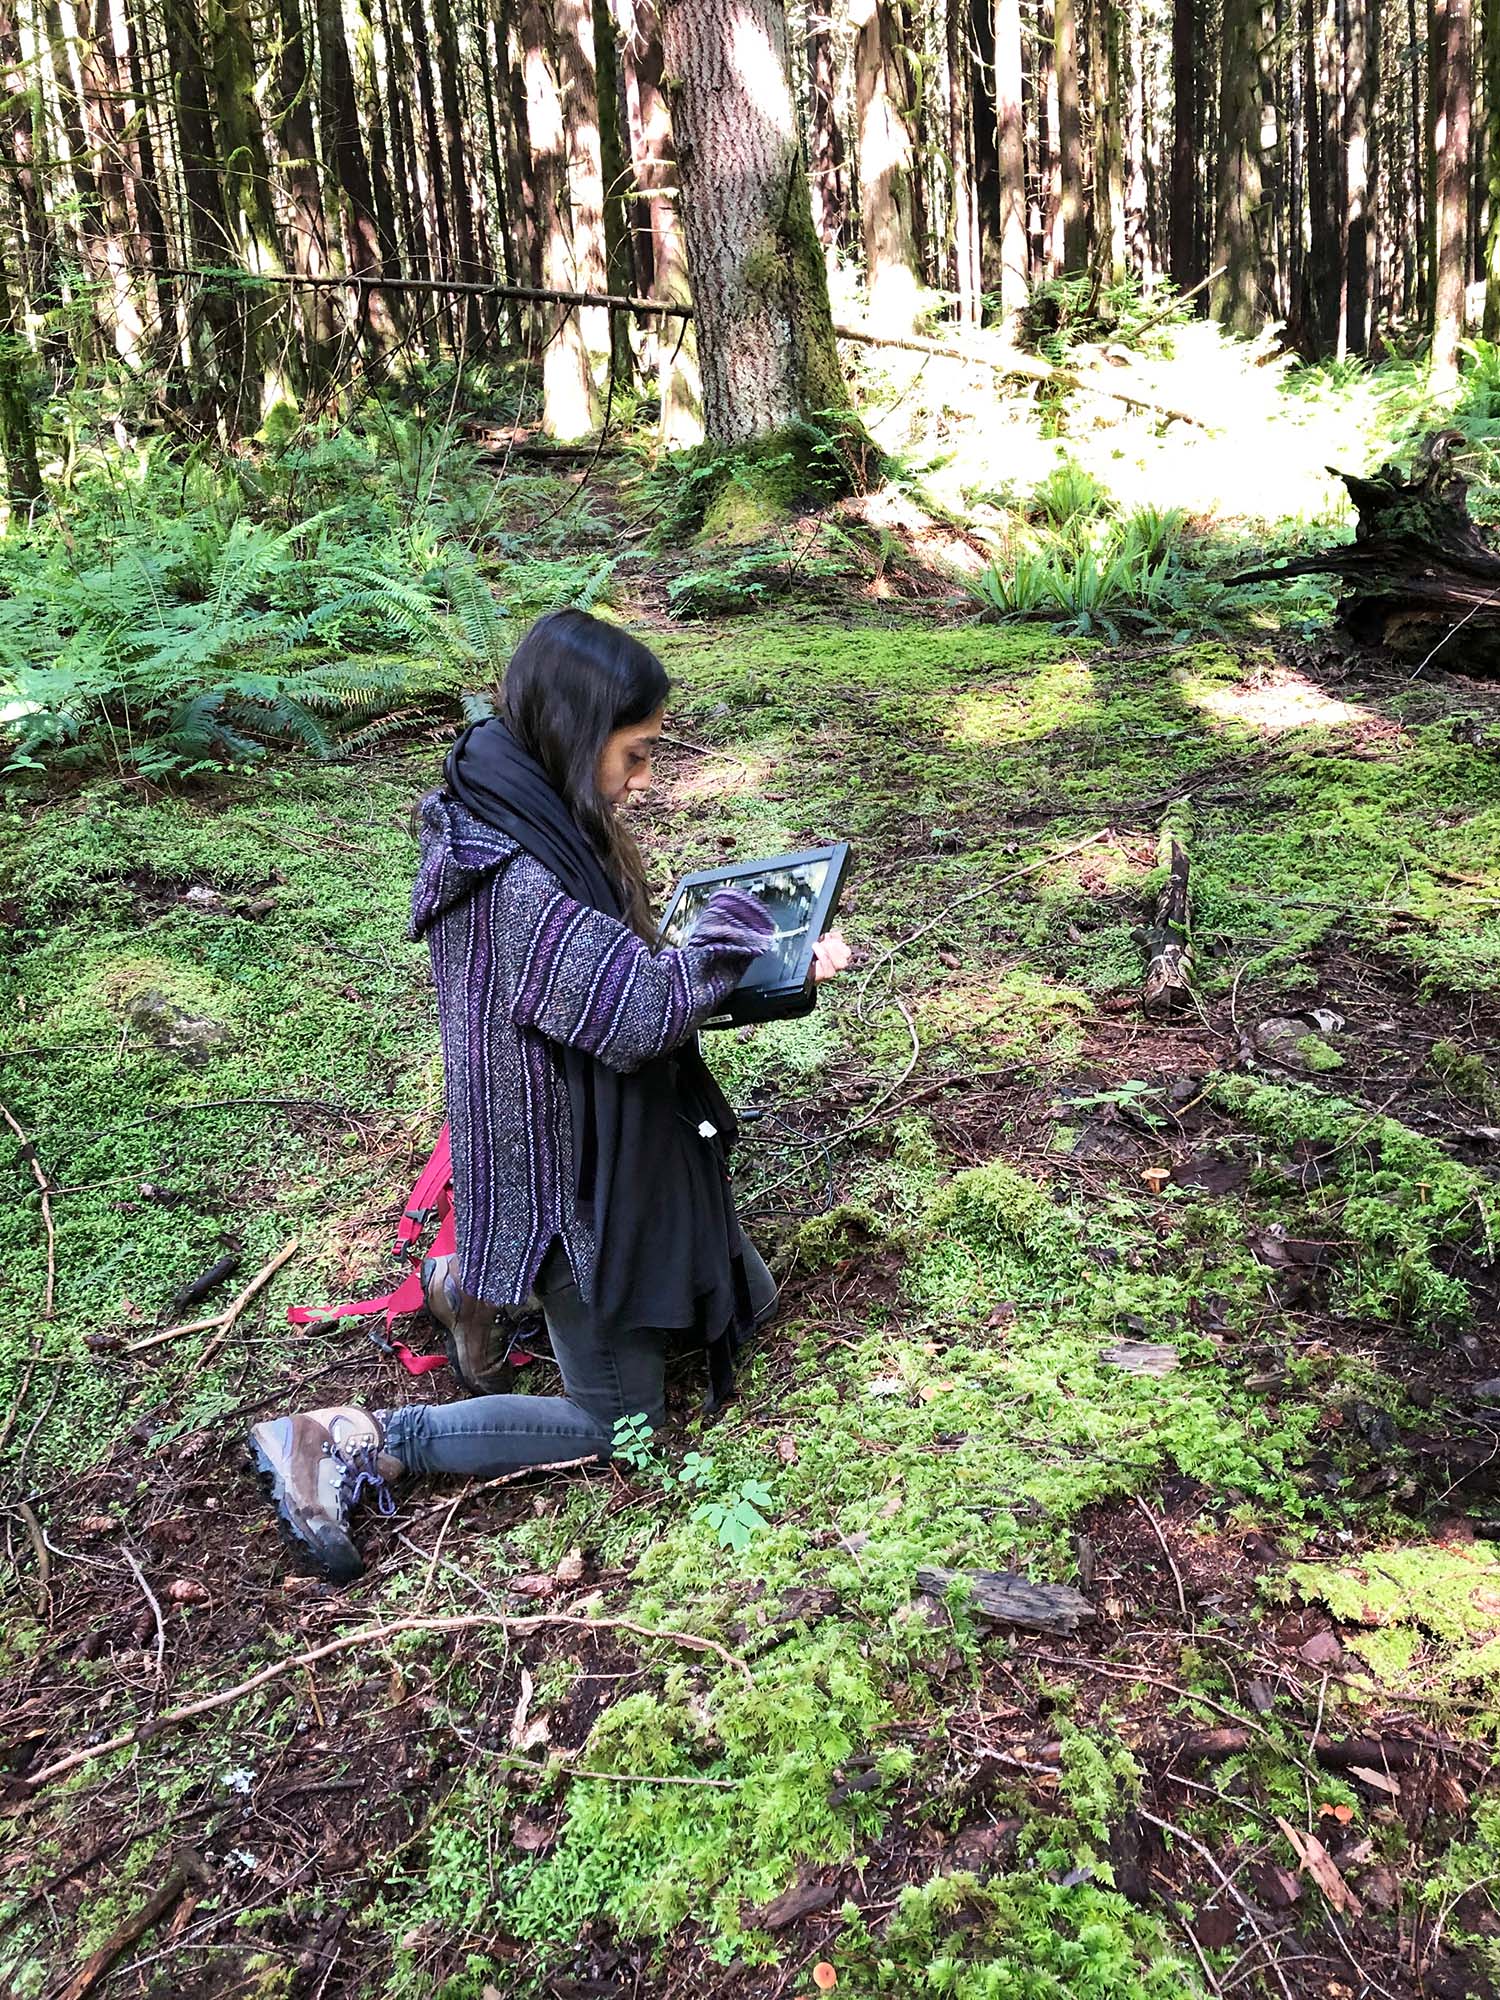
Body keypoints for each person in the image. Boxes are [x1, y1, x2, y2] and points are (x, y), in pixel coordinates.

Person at [250, 610, 850, 1579]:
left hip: (611, 1147)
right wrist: (743, 929)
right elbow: (636, 1009)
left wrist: (772, 965)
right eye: (638, 753)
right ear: (577, 734)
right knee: (618, 1422)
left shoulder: (521, 803)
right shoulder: (511, 874)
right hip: (570, 1185)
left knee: (746, 1297)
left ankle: (476, 1282)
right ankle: (350, 1435)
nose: (644, 778)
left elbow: (631, 979)